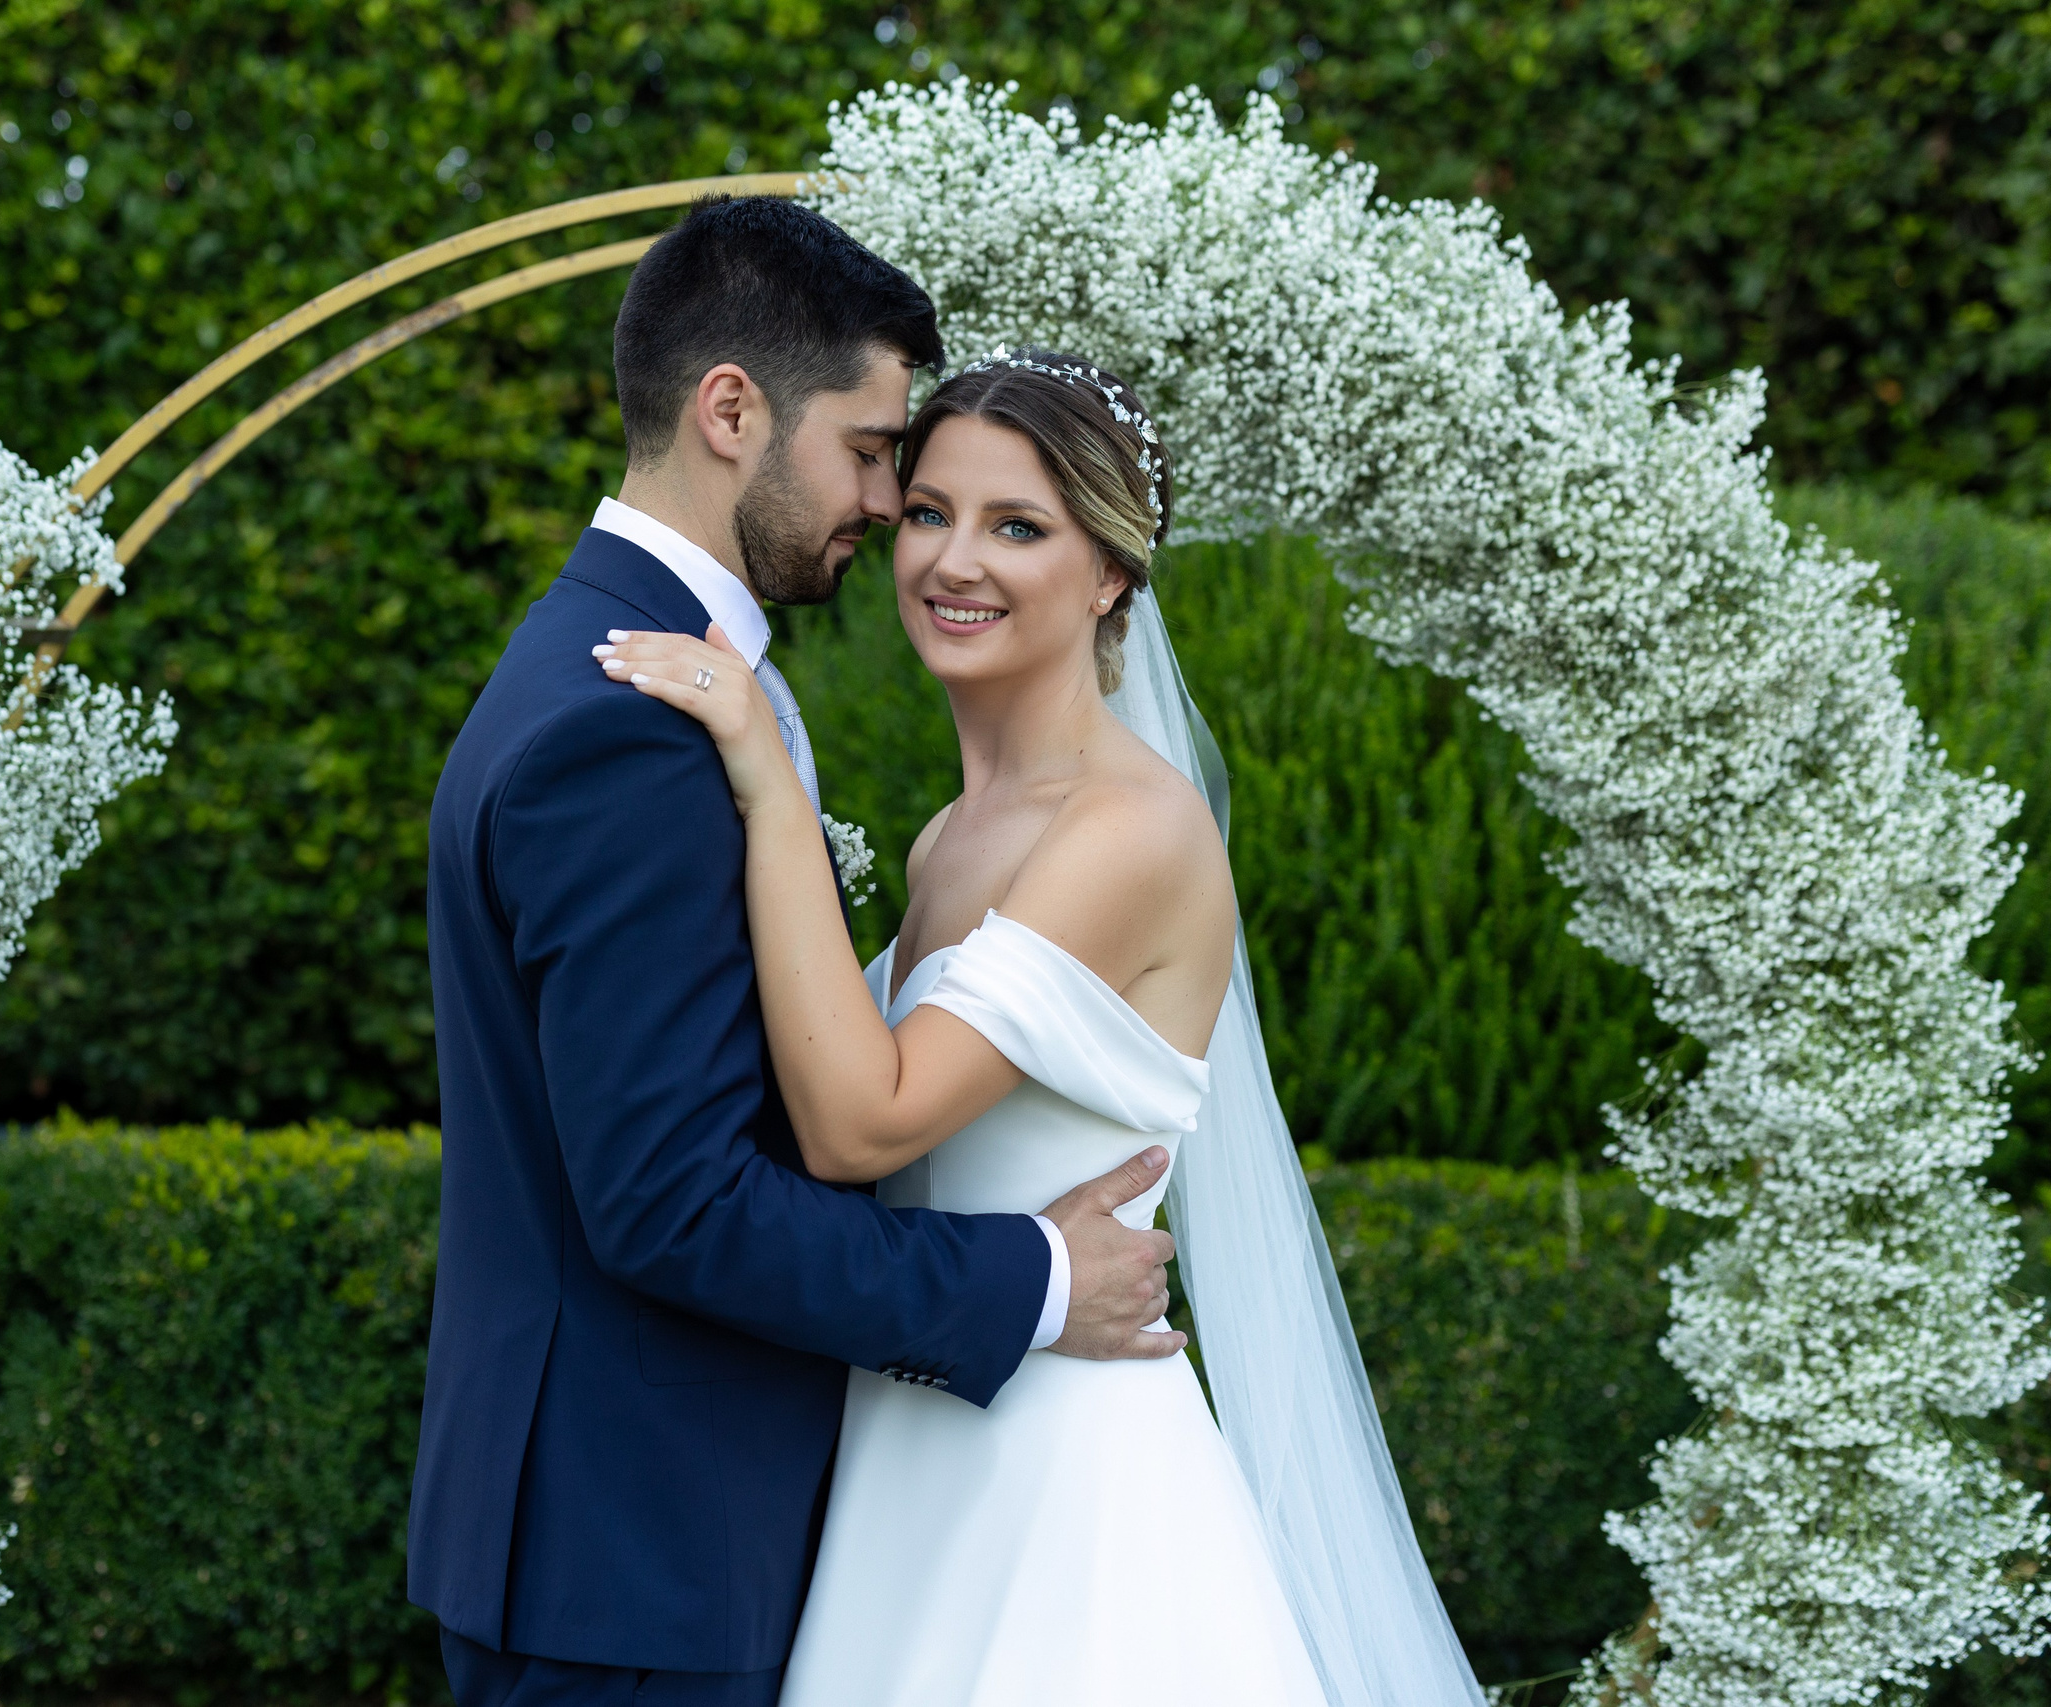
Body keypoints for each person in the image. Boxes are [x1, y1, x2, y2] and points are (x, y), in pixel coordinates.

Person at [598, 352, 1490, 1705]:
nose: (956, 561)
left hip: (1070, 1481)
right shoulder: (953, 834)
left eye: (1020, 527)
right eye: (930, 513)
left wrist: (769, 793)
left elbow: (864, 1122)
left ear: (1112, 573)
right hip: (917, 1453)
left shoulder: (1128, 831)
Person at [412, 198, 1192, 1707]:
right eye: (870, 450)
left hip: (664, 1542)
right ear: (729, 412)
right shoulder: (627, 730)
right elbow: (670, 1205)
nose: (887, 503)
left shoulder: (637, 670)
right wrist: (1036, 1280)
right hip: (640, 1564)